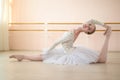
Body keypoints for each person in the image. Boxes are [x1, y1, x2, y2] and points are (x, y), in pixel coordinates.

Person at [9, 19, 112, 65]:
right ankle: (23, 56)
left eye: (89, 29)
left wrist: (48, 51)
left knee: (44, 55)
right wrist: (106, 26)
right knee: (43, 56)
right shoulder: (78, 29)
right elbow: (93, 20)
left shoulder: (72, 33)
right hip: (66, 49)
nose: (88, 26)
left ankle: (23, 56)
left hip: (71, 52)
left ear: (86, 32)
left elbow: (56, 43)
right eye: (89, 24)